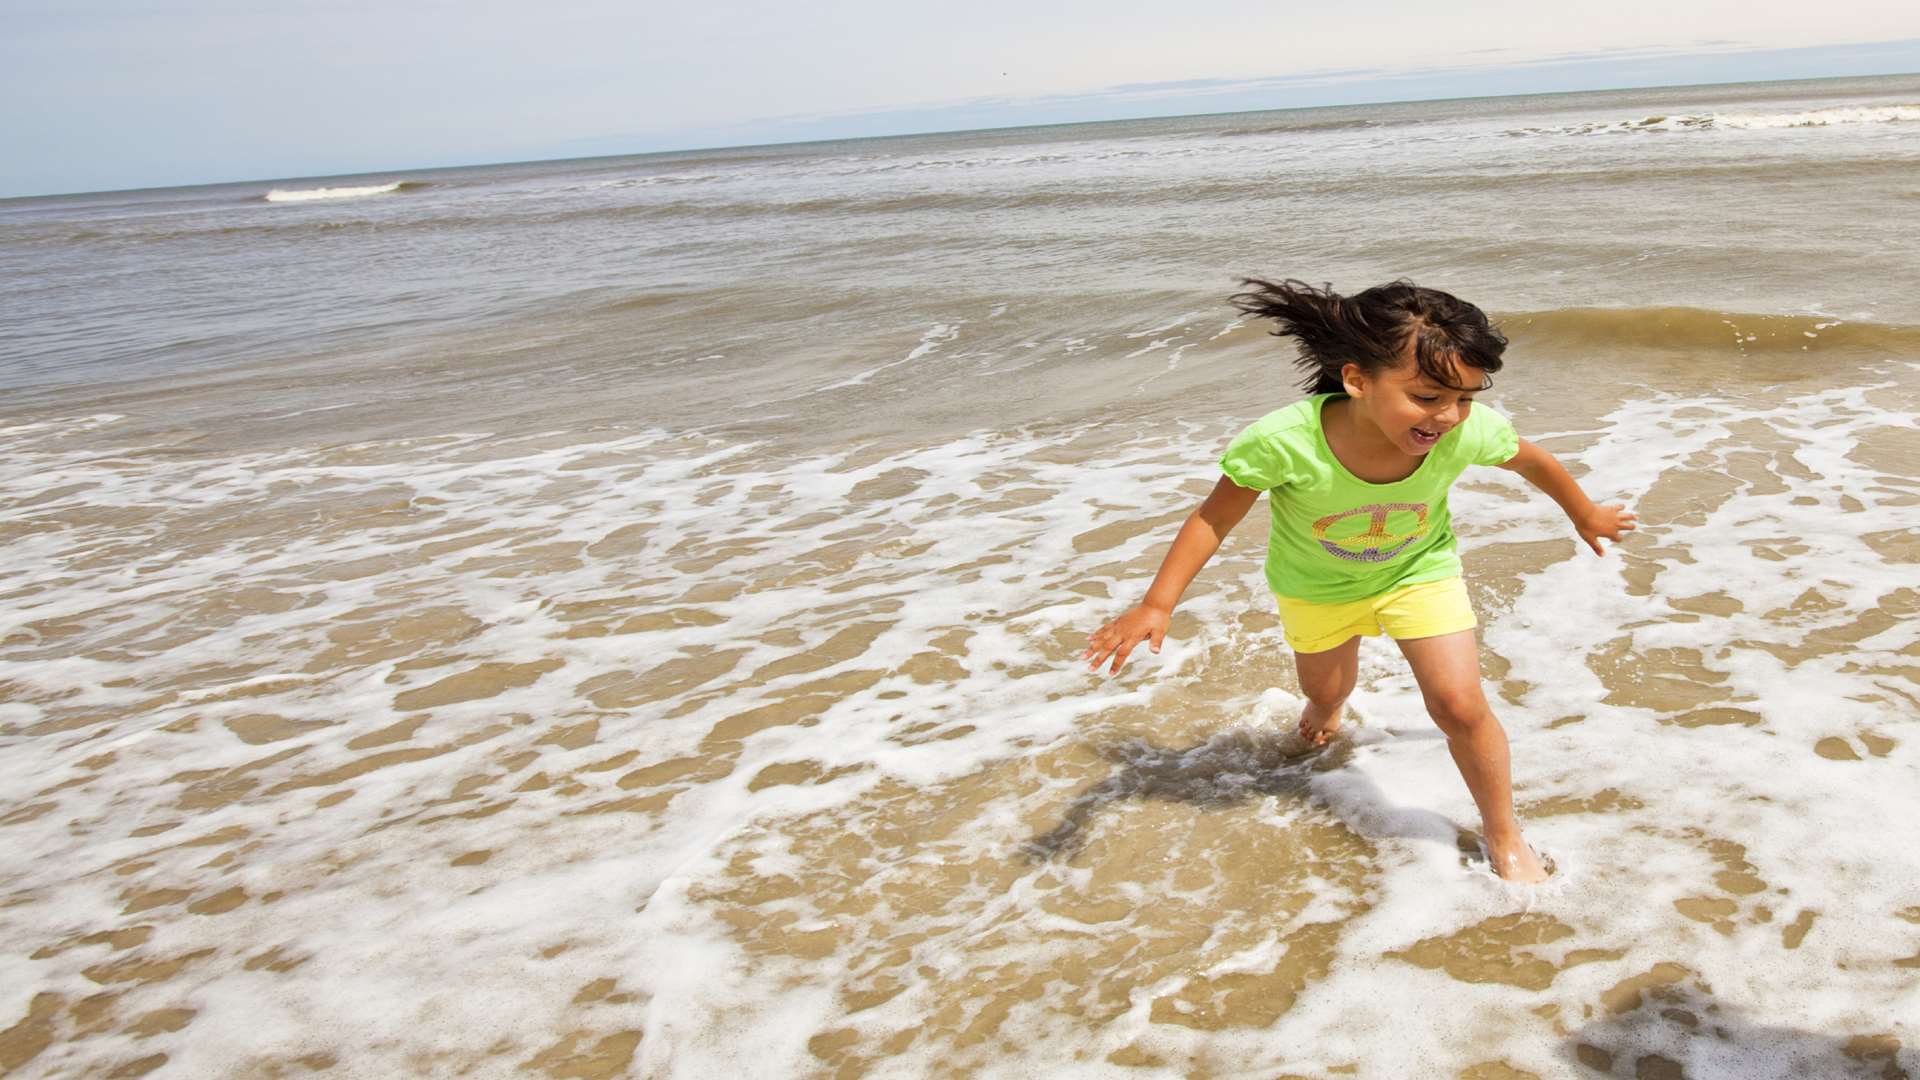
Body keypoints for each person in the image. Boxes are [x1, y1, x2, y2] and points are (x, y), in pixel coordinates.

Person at [1081, 278, 1636, 883]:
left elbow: (1533, 460)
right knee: (1325, 690)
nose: (1448, 417)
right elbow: (1215, 515)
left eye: (1466, 399)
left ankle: (1504, 835)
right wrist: (1157, 604)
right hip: (1316, 589)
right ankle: (1328, 709)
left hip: (1419, 572)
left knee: (1459, 705)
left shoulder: (1464, 431)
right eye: (1426, 396)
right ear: (1356, 380)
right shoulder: (1286, 441)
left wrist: (1585, 513)